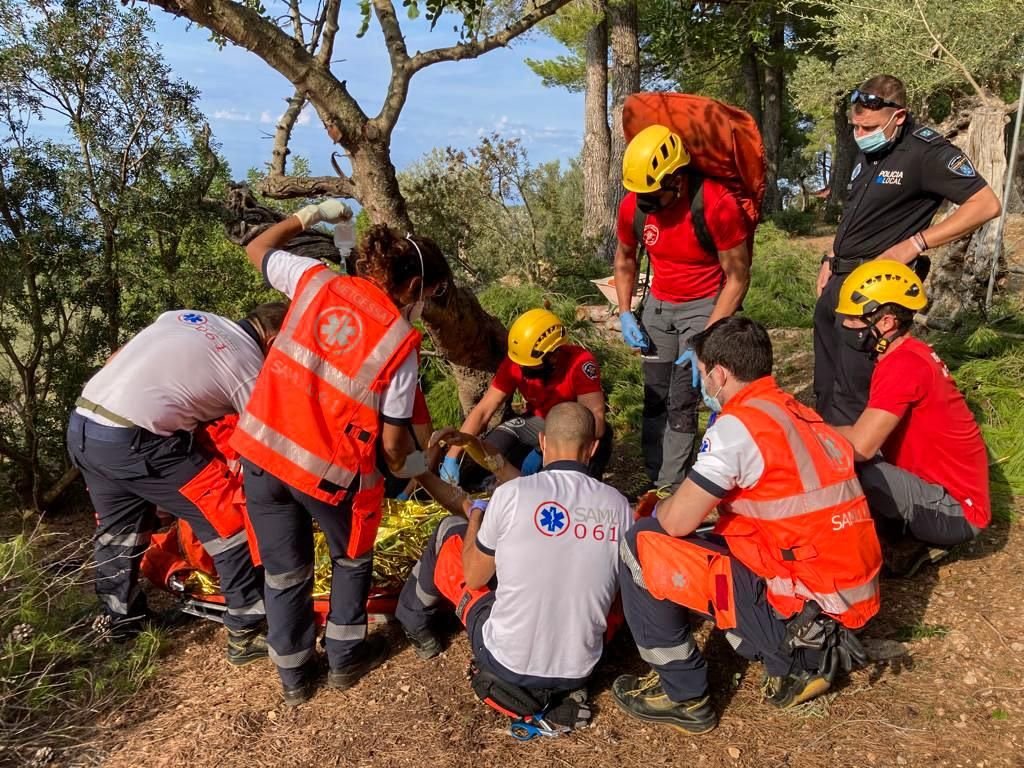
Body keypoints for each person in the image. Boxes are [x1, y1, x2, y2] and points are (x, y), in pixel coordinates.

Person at [613, 317, 881, 733]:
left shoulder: (740, 426)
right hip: (838, 605)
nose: (702, 386)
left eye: (702, 374)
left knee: (640, 542)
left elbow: (679, 520)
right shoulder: (799, 413)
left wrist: (659, 510)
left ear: (719, 373)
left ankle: (683, 694)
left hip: (799, 615)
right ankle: (799, 651)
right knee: (713, 537)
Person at [231, 199, 450, 706]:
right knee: (352, 558)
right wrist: (420, 471)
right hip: (326, 474)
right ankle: (345, 661)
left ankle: (293, 678)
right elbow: (395, 446)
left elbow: (259, 246)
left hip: (262, 454)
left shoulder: (314, 280)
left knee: (285, 572)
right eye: (431, 293)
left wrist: (307, 218)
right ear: (413, 287)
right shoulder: (400, 341)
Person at [68, 302, 286, 662]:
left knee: (119, 529)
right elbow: (265, 444)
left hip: (84, 425)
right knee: (227, 519)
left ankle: (119, 620)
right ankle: (246, 632)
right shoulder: (249, 367)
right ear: (274, 339)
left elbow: (118, 356)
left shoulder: (189, 316)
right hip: (137, 440)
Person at [397, 403, 632, 732]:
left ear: (543, 443)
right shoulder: (618, 506)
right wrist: (469, 442)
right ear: (593, 447)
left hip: (506, 663)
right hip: (579, 669)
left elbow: (475, 575)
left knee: (451, 530)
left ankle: (415, 623)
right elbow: (501, 465)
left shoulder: (513, 496)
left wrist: (474, 518)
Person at [814, 74, 1001, 426]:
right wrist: (831, 256)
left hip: (875, 294)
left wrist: (916, 243)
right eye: (856, 125)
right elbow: (858, 214)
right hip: (839, 280)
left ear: (898, 117)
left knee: (854, 396)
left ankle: (863, 474)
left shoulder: (926, 151)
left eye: (869, 127)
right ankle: (827, 470)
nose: (860, 133)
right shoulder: (869, 152)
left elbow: (986, 204)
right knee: (826, 386)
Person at [614, 124, 752, 490]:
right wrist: (626, 311)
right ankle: (653, 474)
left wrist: (705, 340)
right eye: (639, 196)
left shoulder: (716, 204)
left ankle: (671, 485)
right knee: (655, 393)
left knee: (682, 398)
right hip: (658, 308)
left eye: (653, 195)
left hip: (705, 307)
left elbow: (737, 278)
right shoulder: (635, 206)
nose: (645, 203)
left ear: (676, 178)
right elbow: (626, 258)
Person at [831, 261, 990, 575]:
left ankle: (912, 539)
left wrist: (806, 430)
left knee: (850, 467)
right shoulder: (907, 353)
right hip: (941, 494)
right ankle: (904, 534)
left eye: (853, 318)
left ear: (886, 321)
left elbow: (861, 445)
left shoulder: (902, 366)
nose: (846, 325)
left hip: (958, 513)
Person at [440, 308, 611, 483]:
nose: (521, 368)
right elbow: (484, 410)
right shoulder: (517, 362)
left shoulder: (580, 363)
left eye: (528, 365)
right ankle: (502, 483)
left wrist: (549, 447)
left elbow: (595, 422)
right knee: (493, 447)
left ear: (553, 356)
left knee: (569, 469)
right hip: (536, 422)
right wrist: (452, 455)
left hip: (569, 428)